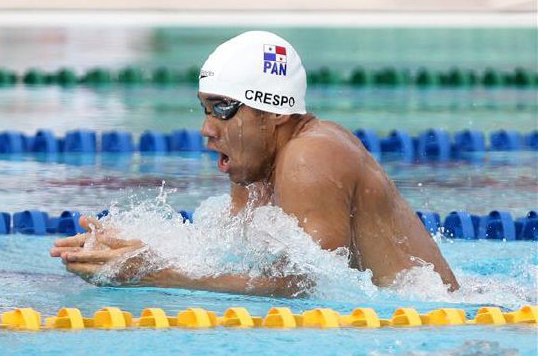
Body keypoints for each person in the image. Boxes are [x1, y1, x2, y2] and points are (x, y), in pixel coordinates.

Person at [50, 30, 460, 296]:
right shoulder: (257, 164)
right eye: (205, 109)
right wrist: (139, 250)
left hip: (424, 329)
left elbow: (314, 286)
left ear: (276, 113)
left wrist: (155, 274)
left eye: (223, 109)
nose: (206, 129)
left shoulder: (310, 156)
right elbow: (234, 258)